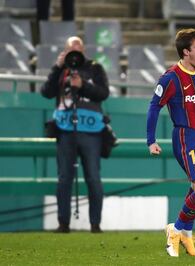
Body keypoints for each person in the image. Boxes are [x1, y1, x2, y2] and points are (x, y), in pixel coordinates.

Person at [146, 28, 195, 257]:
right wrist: (151, 140)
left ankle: (186, 233)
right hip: (185, 136)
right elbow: (154, 106)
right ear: (186, 52)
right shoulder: (171, 77)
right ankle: (175, 228)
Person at [41, 36, 109, 233]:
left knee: (93, 178)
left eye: (78, 48)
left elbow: (104, 93)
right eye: (71, 49)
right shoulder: (60, 70)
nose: (75, 52)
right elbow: (46, 92)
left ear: (84, 49)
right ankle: (63, 223)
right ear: (66, 51)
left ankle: (95, 224)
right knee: (64, 178)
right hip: (65, 130)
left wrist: (83, 86)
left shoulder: (95, 67)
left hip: (92, 131)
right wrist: (56, 67)